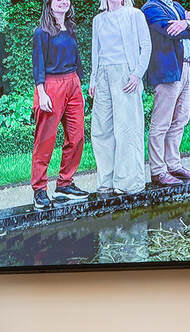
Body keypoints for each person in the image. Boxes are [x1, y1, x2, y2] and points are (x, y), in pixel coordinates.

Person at [31, 0, 90, 210]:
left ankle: (65, 184)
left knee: (76, 136)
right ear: (49, 3)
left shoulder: (71, 28)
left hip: (72, 82)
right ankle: (39, 190)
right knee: (45, 140)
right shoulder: (42, 32)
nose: (63, 2)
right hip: (51, 85)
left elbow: (77, 60)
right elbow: (37, 63)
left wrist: (80, 84)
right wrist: (41, 92)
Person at [89, 0, 152, 195]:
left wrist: (137, 74)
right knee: (101, 130)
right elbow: (95, 51)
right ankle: (106, 181)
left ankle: (128, 183)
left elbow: (146, 46)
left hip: (126, 74)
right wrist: (93, 79)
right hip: (102, 76)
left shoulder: (135, 15)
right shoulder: (98, 20)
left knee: (127, 129)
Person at [142, 0, 190, 185]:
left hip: (185, 68)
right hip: (167, 70)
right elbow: (169, 32)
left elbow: (183, 29)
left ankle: (173, 164)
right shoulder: (151, 8)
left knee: (180, 119)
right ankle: (158, 170)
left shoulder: (176, 6)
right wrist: (186, 24)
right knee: (161, 122)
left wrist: (186, 23)